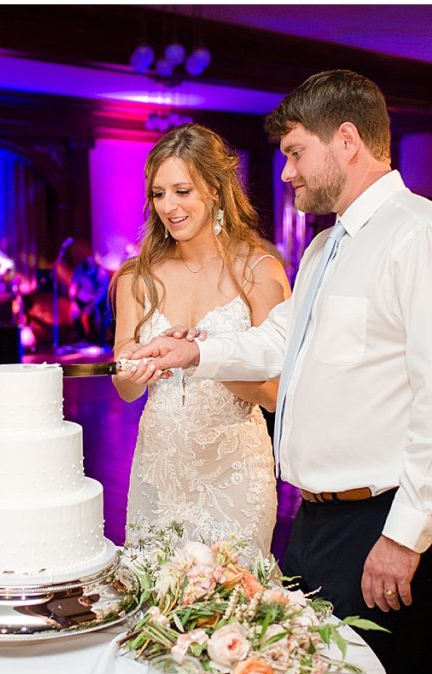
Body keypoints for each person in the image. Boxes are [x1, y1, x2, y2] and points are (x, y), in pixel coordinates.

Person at [130, 70, 432, 674]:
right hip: (312, 524)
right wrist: (197, 351)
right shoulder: (324, 248)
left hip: (379, 523)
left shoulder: (420, 238)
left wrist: (405, 537)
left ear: (345, 140)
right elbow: (280, 339)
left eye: (294, 153)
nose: (286, 173)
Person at [110, 123, 291, 559]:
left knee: (236, 604)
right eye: (158, 194)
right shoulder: (138, 277)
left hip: (234, 474)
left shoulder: (259, 272)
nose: (168, 207)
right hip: (159, 466)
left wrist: (205, 358)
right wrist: (142, 361)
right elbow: (126, 387)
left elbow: (275, 397)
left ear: (214, 188)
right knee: (155, 603)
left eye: (182, 191)